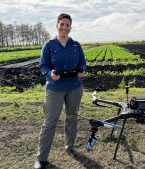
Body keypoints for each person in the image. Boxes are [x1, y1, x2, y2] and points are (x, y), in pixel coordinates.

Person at [34, 13, 86, 169]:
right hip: (55, 88)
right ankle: (41, 158)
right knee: (50, 123)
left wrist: (82, 71)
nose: (65, 27)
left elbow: (82, 63)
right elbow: (43, 66)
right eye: (62, 24)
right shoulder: (49, 45)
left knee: (72, 118)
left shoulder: (76, 45)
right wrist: (50, 74)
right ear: (57, 25)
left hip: (74, 88)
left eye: (67, 25)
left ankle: (69, 146)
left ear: (71, 27)